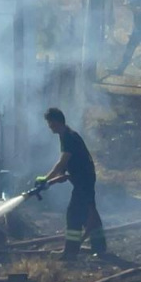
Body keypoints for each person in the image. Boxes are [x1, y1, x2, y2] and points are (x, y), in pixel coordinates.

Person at [40, 108, 107, 260]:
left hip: (83, 181)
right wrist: (61, 176)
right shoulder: (66, 136)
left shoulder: (69, 137)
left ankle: (70, 252)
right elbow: (67, 164)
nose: (49, 126)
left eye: (50, 123)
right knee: (90, 213)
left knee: (74, 215)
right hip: (84, 179)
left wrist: (46, 178)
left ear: (56, 122)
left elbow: (62, 162)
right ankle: (100, 247)